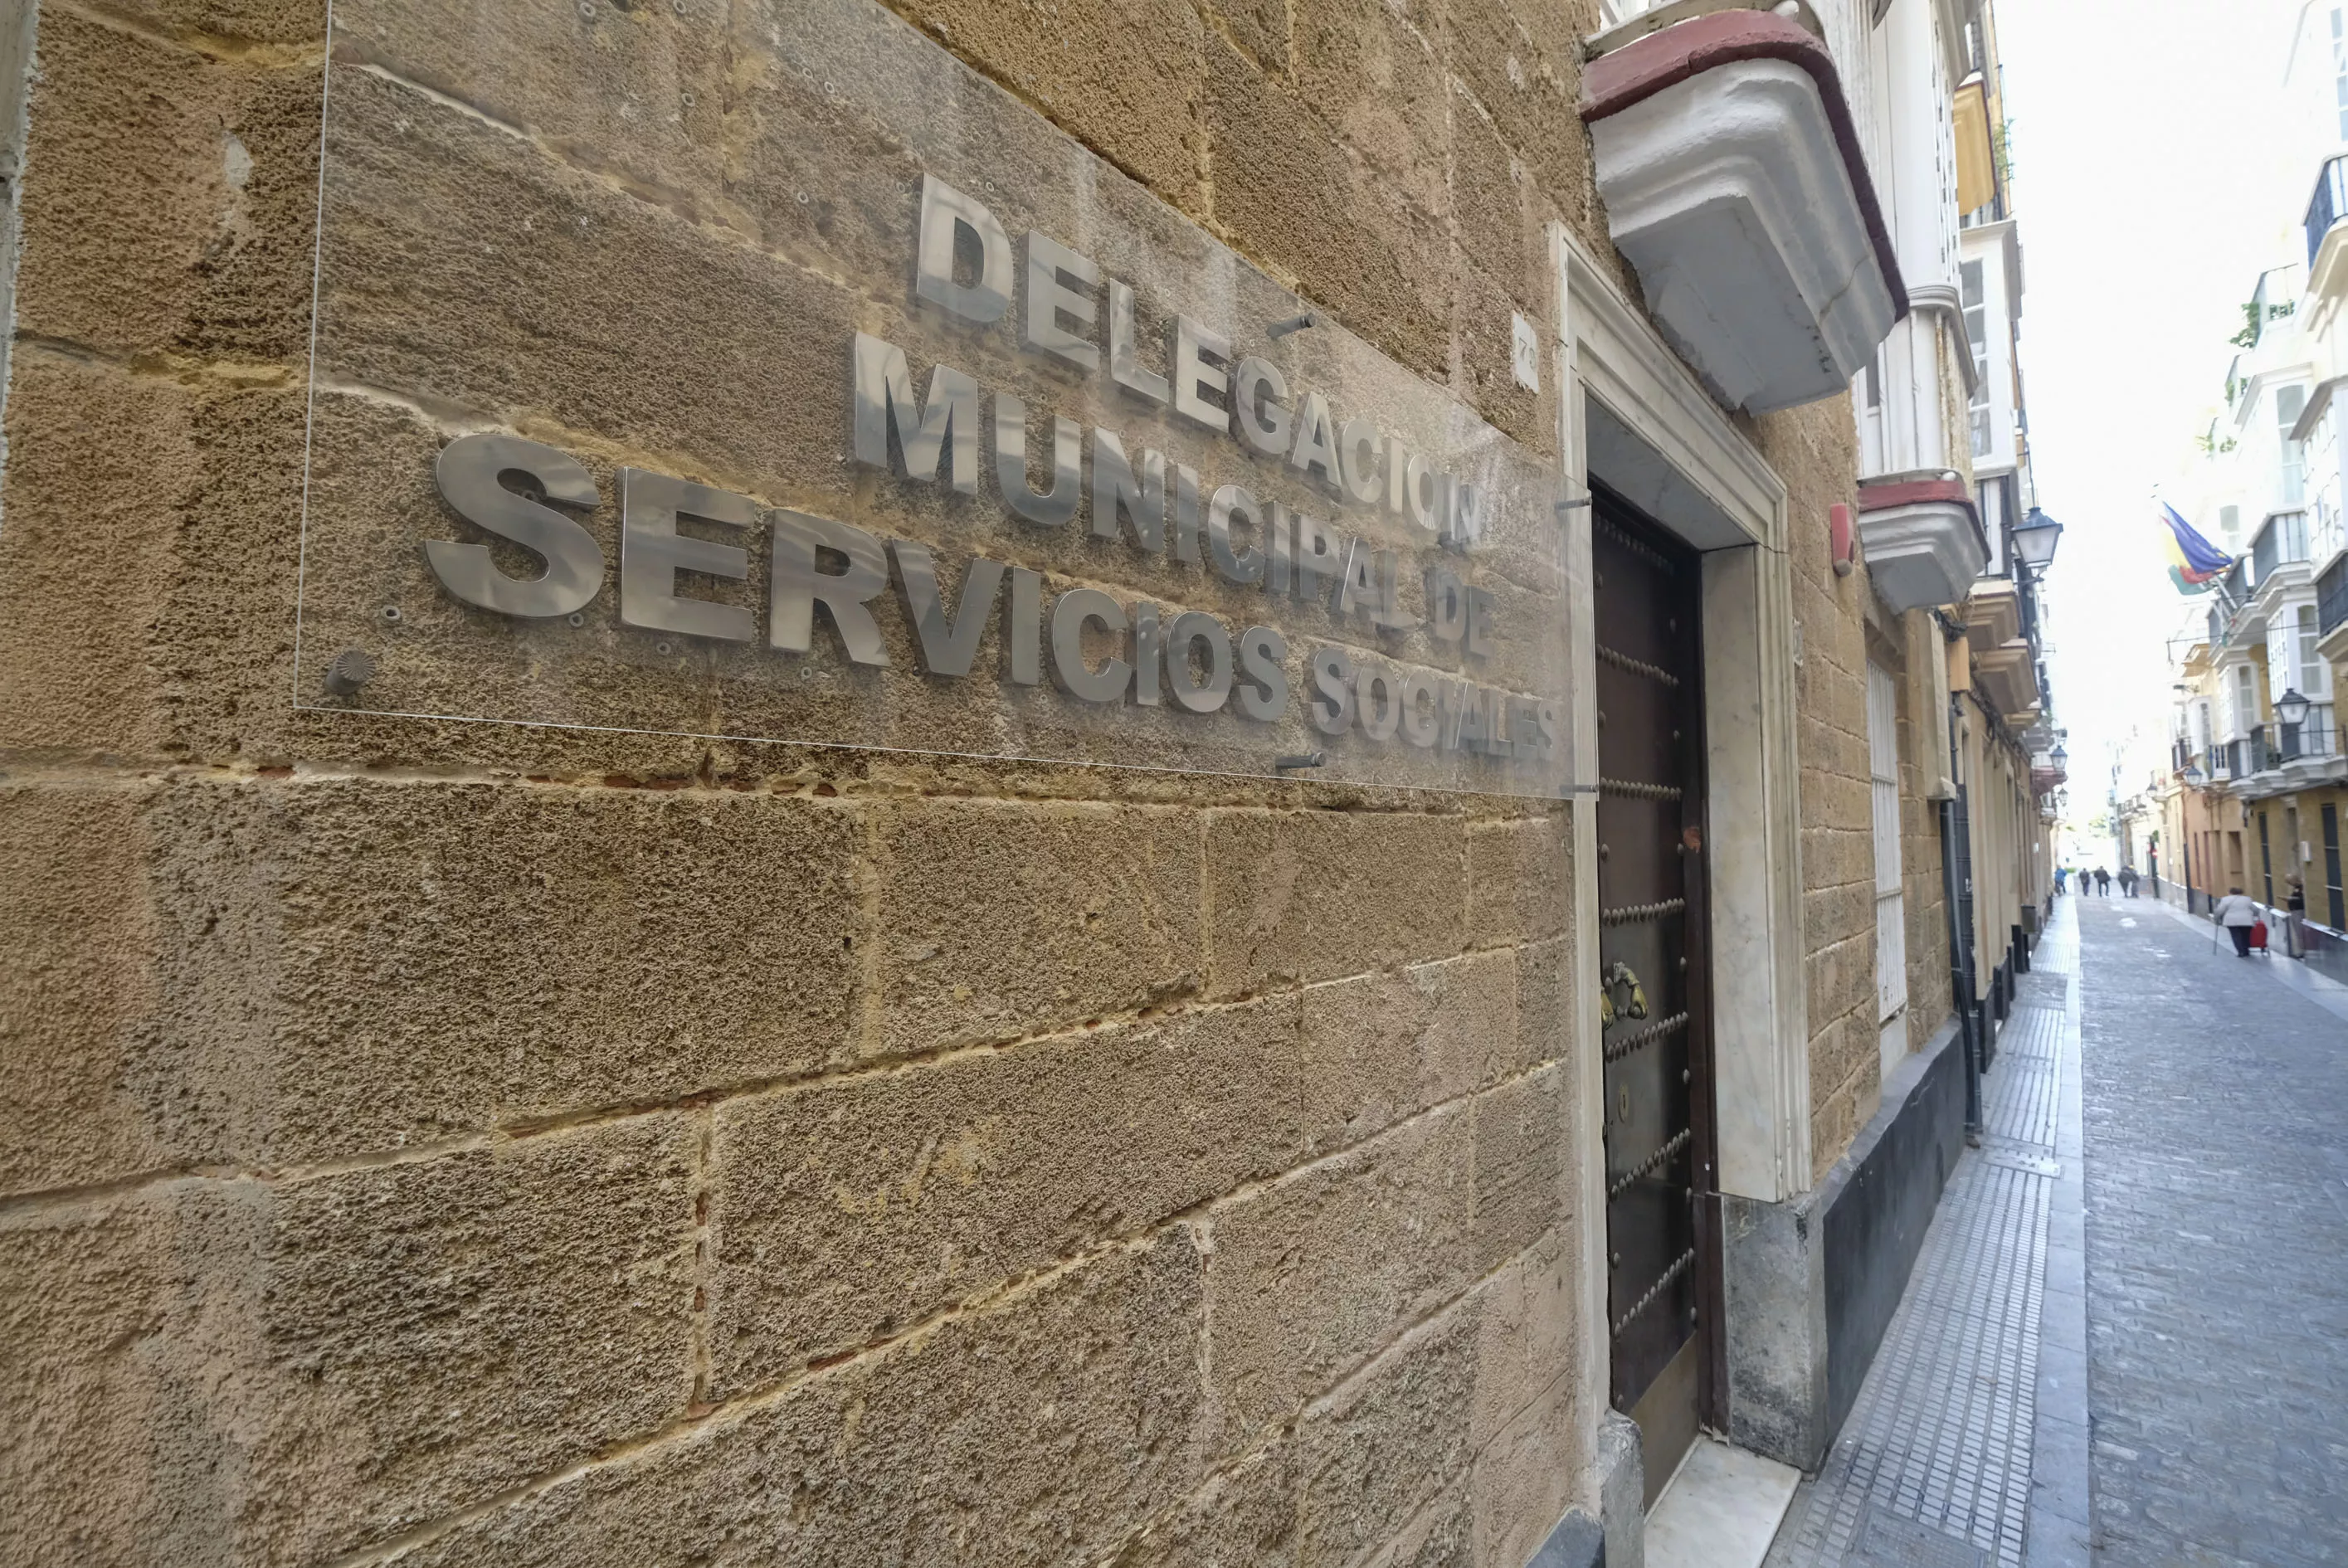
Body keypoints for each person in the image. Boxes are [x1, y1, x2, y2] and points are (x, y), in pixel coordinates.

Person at [2213, 886, 2262, 956]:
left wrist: (2216, 918)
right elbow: (2256, 909)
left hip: (2232, 921)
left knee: (2236, 936)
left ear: (2230, 892)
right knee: (2246, 935)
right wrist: (2255, 916)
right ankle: (2246, 950)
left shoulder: (2225, 899)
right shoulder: (2247, 899)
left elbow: (2220, 910)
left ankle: (2241, 951)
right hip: (2246, 920)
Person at [2286, 875, 2307, 958]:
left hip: (2298, 911)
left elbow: (2300, 899)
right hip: (2295, 911)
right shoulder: (2296, 888)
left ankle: (2302, 951)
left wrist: (2291, 898)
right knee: (2298, 932)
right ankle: (2301, 950)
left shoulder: (2300, 888)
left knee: (2299, 931)